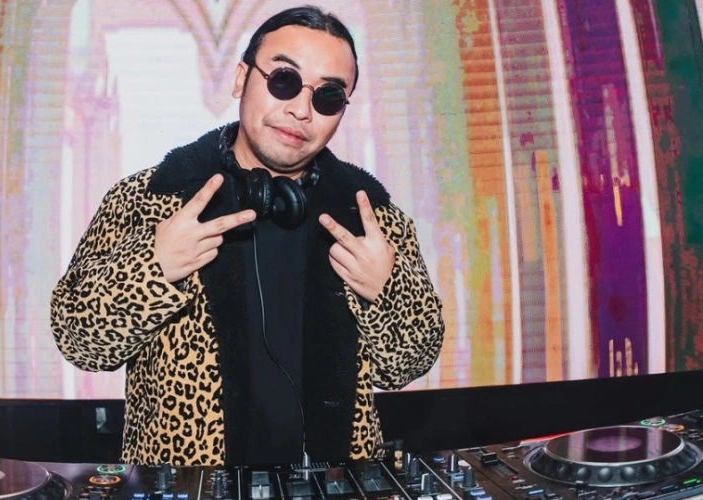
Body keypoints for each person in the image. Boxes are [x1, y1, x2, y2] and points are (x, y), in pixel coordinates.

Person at [49, 5, 445, 467]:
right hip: (192, 489)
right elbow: (79, 343)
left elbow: (407, 366)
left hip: (334, 484)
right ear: (241, 79)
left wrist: (386, 290)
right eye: (284, 80)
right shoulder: (149, 199)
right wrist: (152, 268)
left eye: (328, 96)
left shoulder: (372, 220)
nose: (300, 109)